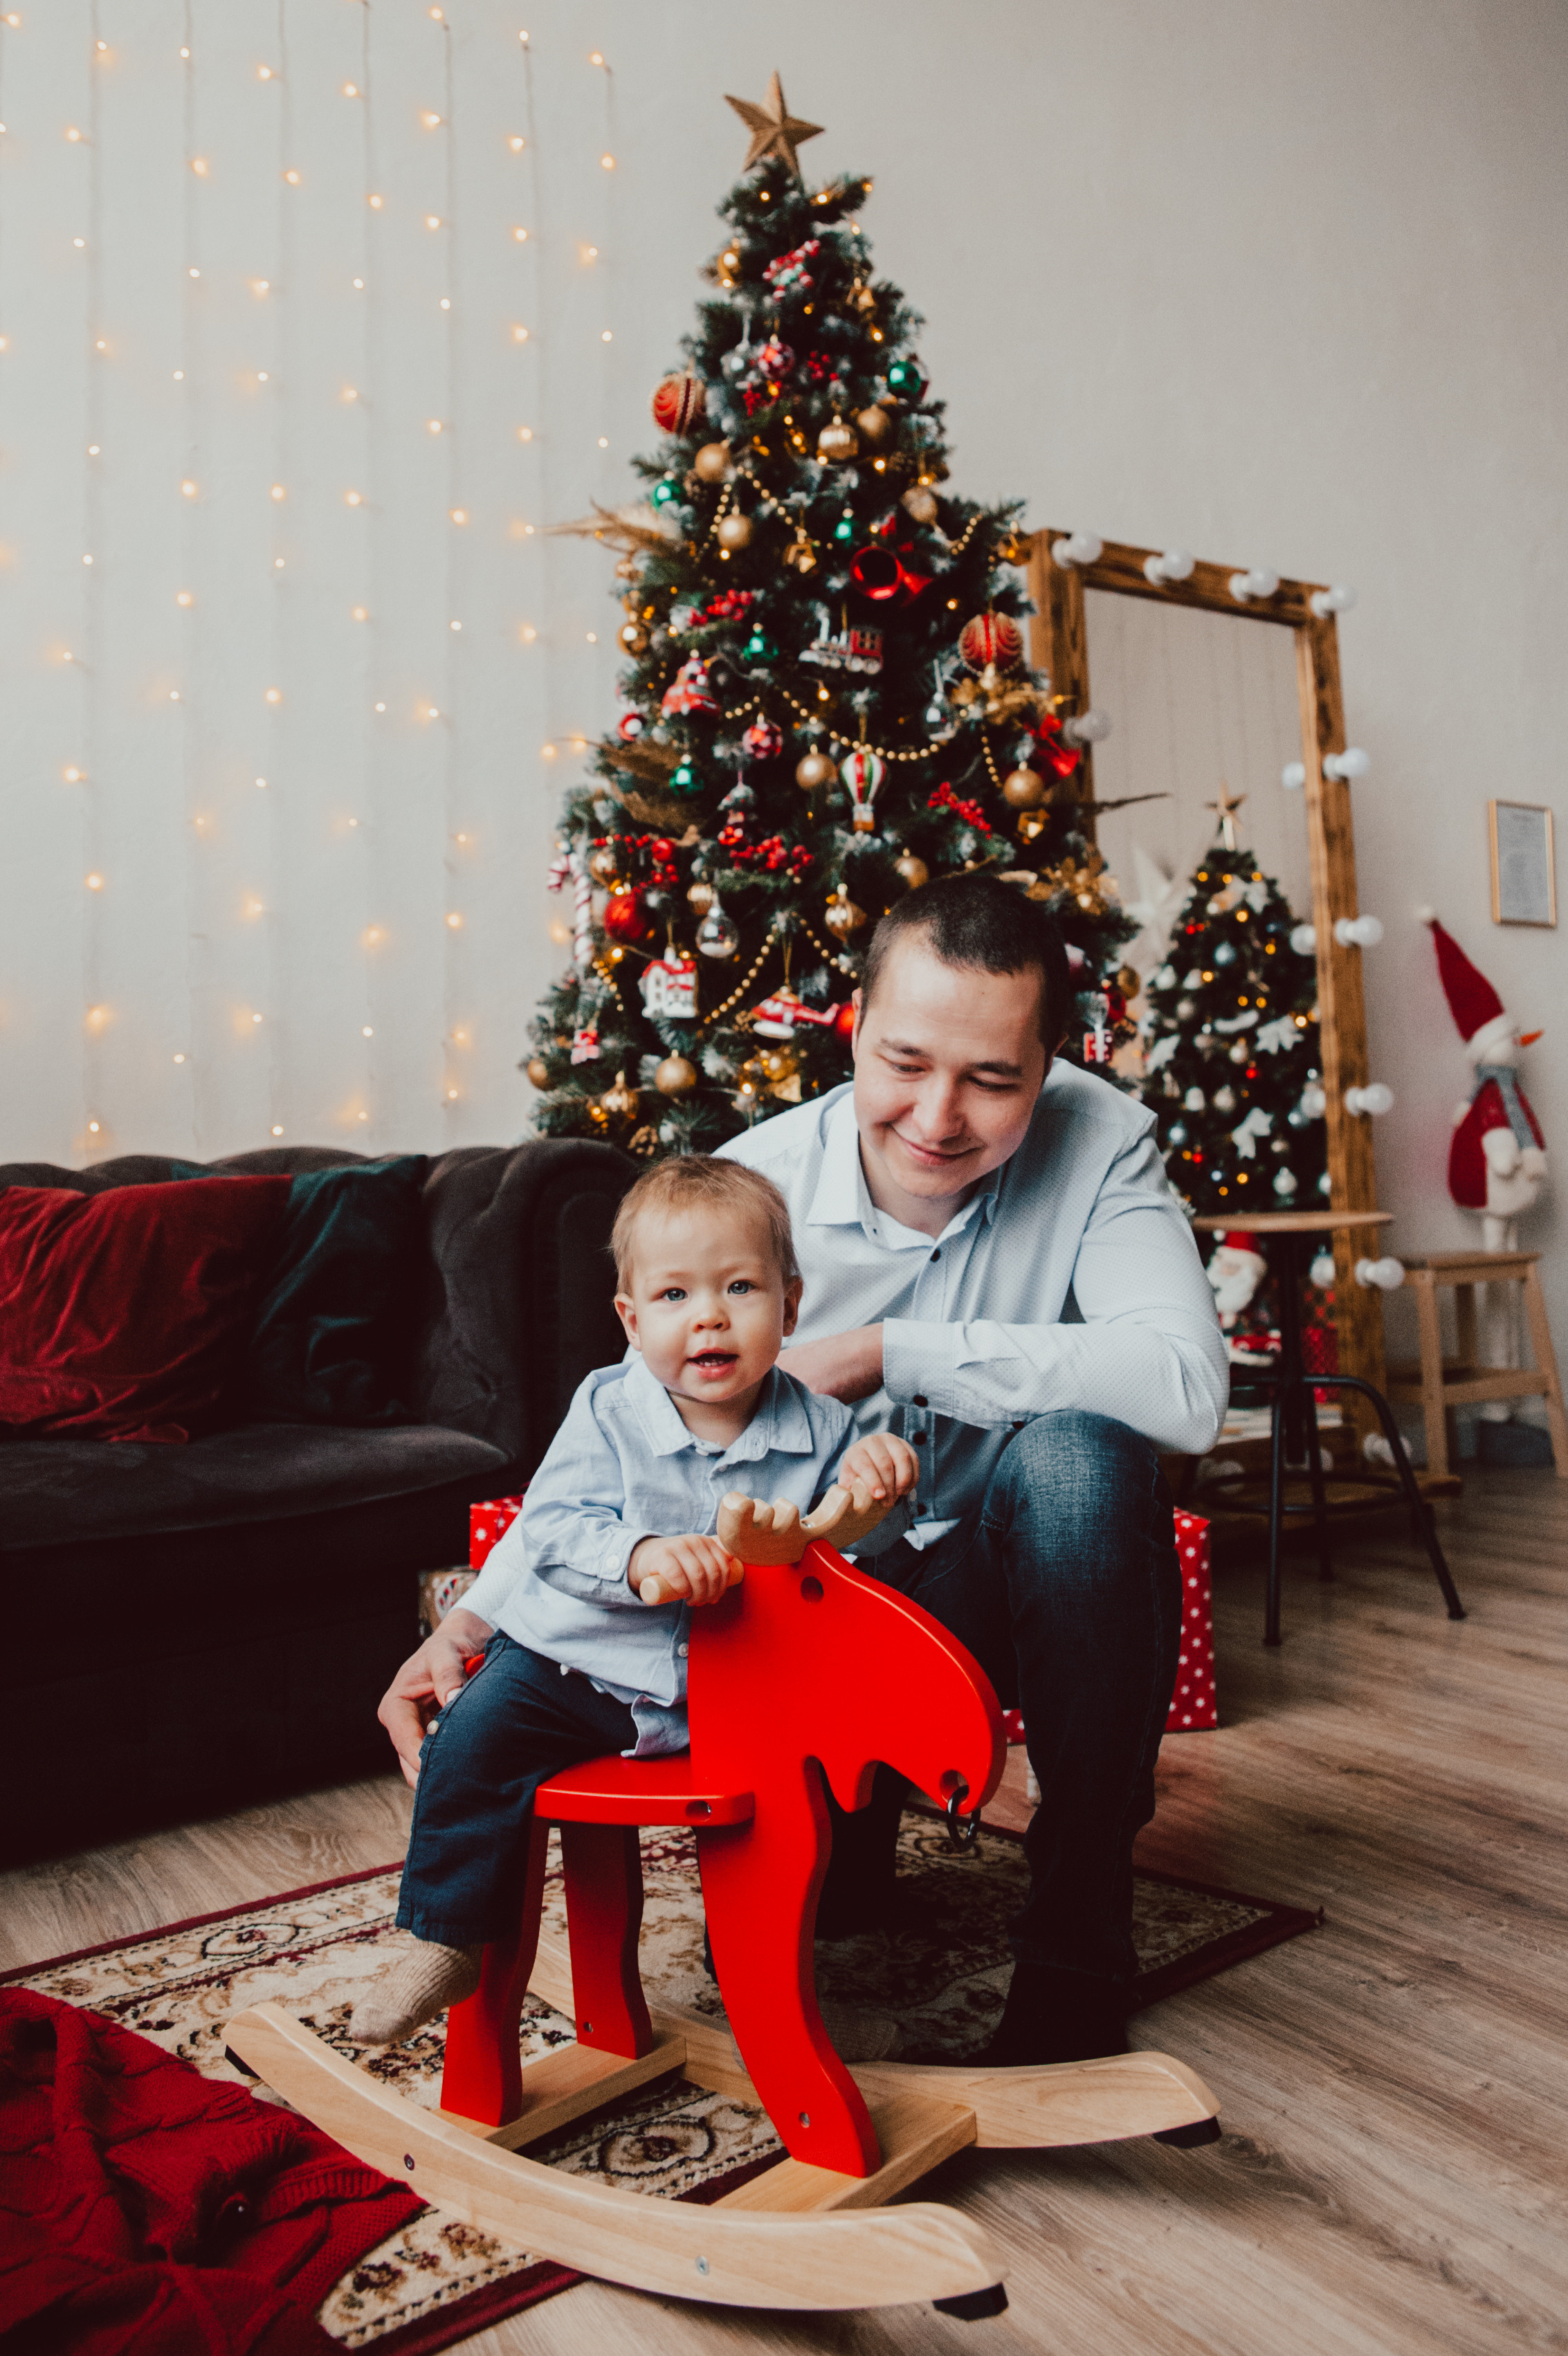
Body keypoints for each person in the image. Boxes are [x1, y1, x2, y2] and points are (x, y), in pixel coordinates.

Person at [378, 872, 1226, 2064]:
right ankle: (852, 1823)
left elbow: (1188, 1388)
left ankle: (1079, 1931)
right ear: (853, 1025)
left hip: (989, 1590)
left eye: (993, 1079)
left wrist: (889, 1351)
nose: (938, 1116)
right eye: (905, 1062)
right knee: (804, 1922)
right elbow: (622, 1437)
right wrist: (470, 1622)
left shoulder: (1099, 1148)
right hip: (793, 1631)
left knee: (1084, 1458)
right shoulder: (749, 1193)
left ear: (1054, 1067)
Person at [350, 1153, 916, 2047]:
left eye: (740, 1286)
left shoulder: (825, 1430)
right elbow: (553, 1529)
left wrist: (878, 1496)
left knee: (811, 1779)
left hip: (738, 1691)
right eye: (674, 1295)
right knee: (474, 1737)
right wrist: (638, 1554)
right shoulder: (608, 1409)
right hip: (580, 1666)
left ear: (792, 1305)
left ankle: (785, 1952)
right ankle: (445, 1933)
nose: (710, 1316)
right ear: (629, 1316)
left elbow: (861, 1559)